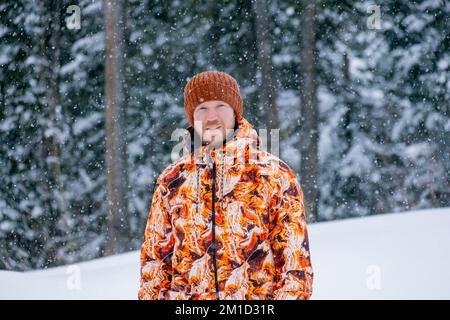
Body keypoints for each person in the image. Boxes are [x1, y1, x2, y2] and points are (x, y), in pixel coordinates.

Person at [138, 70, 314, 300]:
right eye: (202, 108)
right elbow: (155, 263)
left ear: (235, 112)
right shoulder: (172, 181)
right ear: (192, 117)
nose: (211, 117)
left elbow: (295, 266)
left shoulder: (274, 175)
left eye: (220, 105)